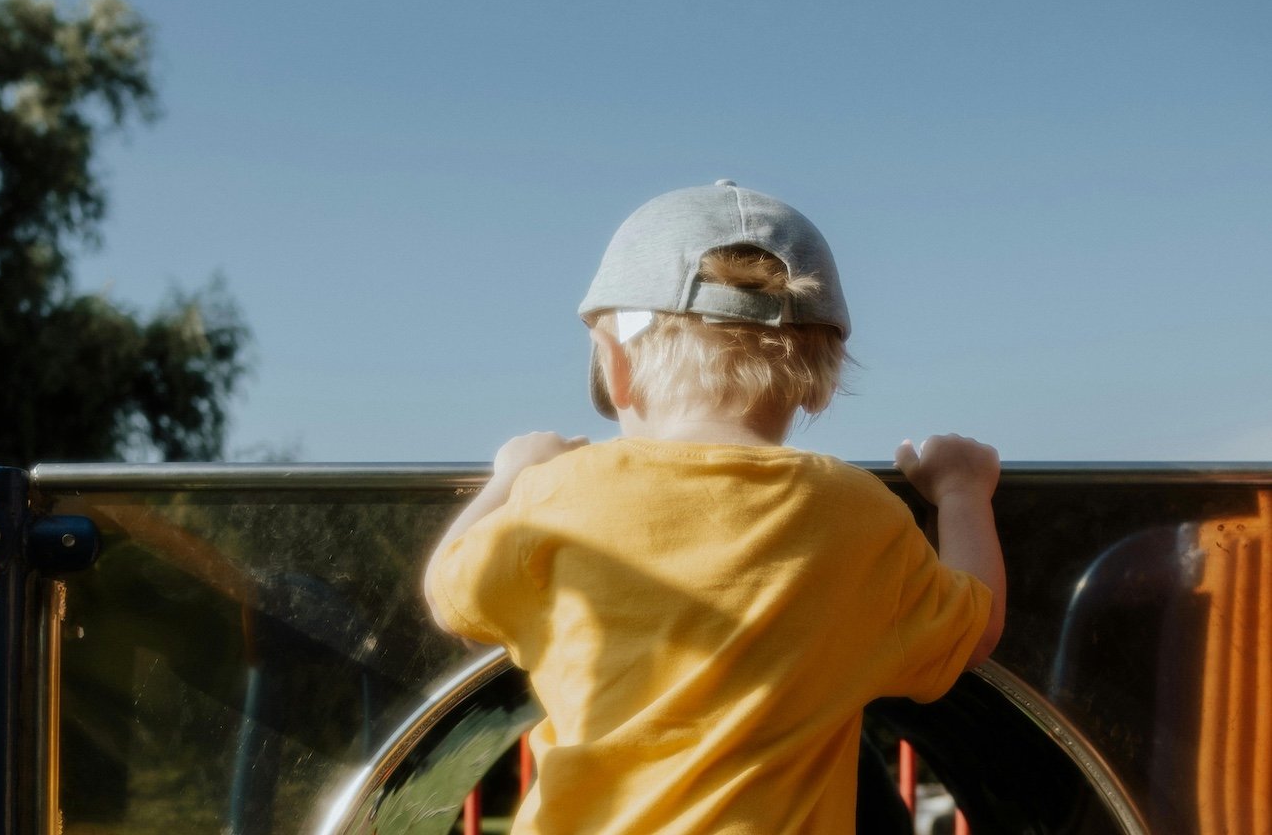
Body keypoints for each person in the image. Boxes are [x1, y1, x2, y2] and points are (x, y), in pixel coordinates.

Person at [424, 180, 1005, 834]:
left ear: (615, 367)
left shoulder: (559, 495)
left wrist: (511, 477)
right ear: (821, 383)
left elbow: (451, 596)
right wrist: (962, 494)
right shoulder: (859, 515)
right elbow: (972, 632)